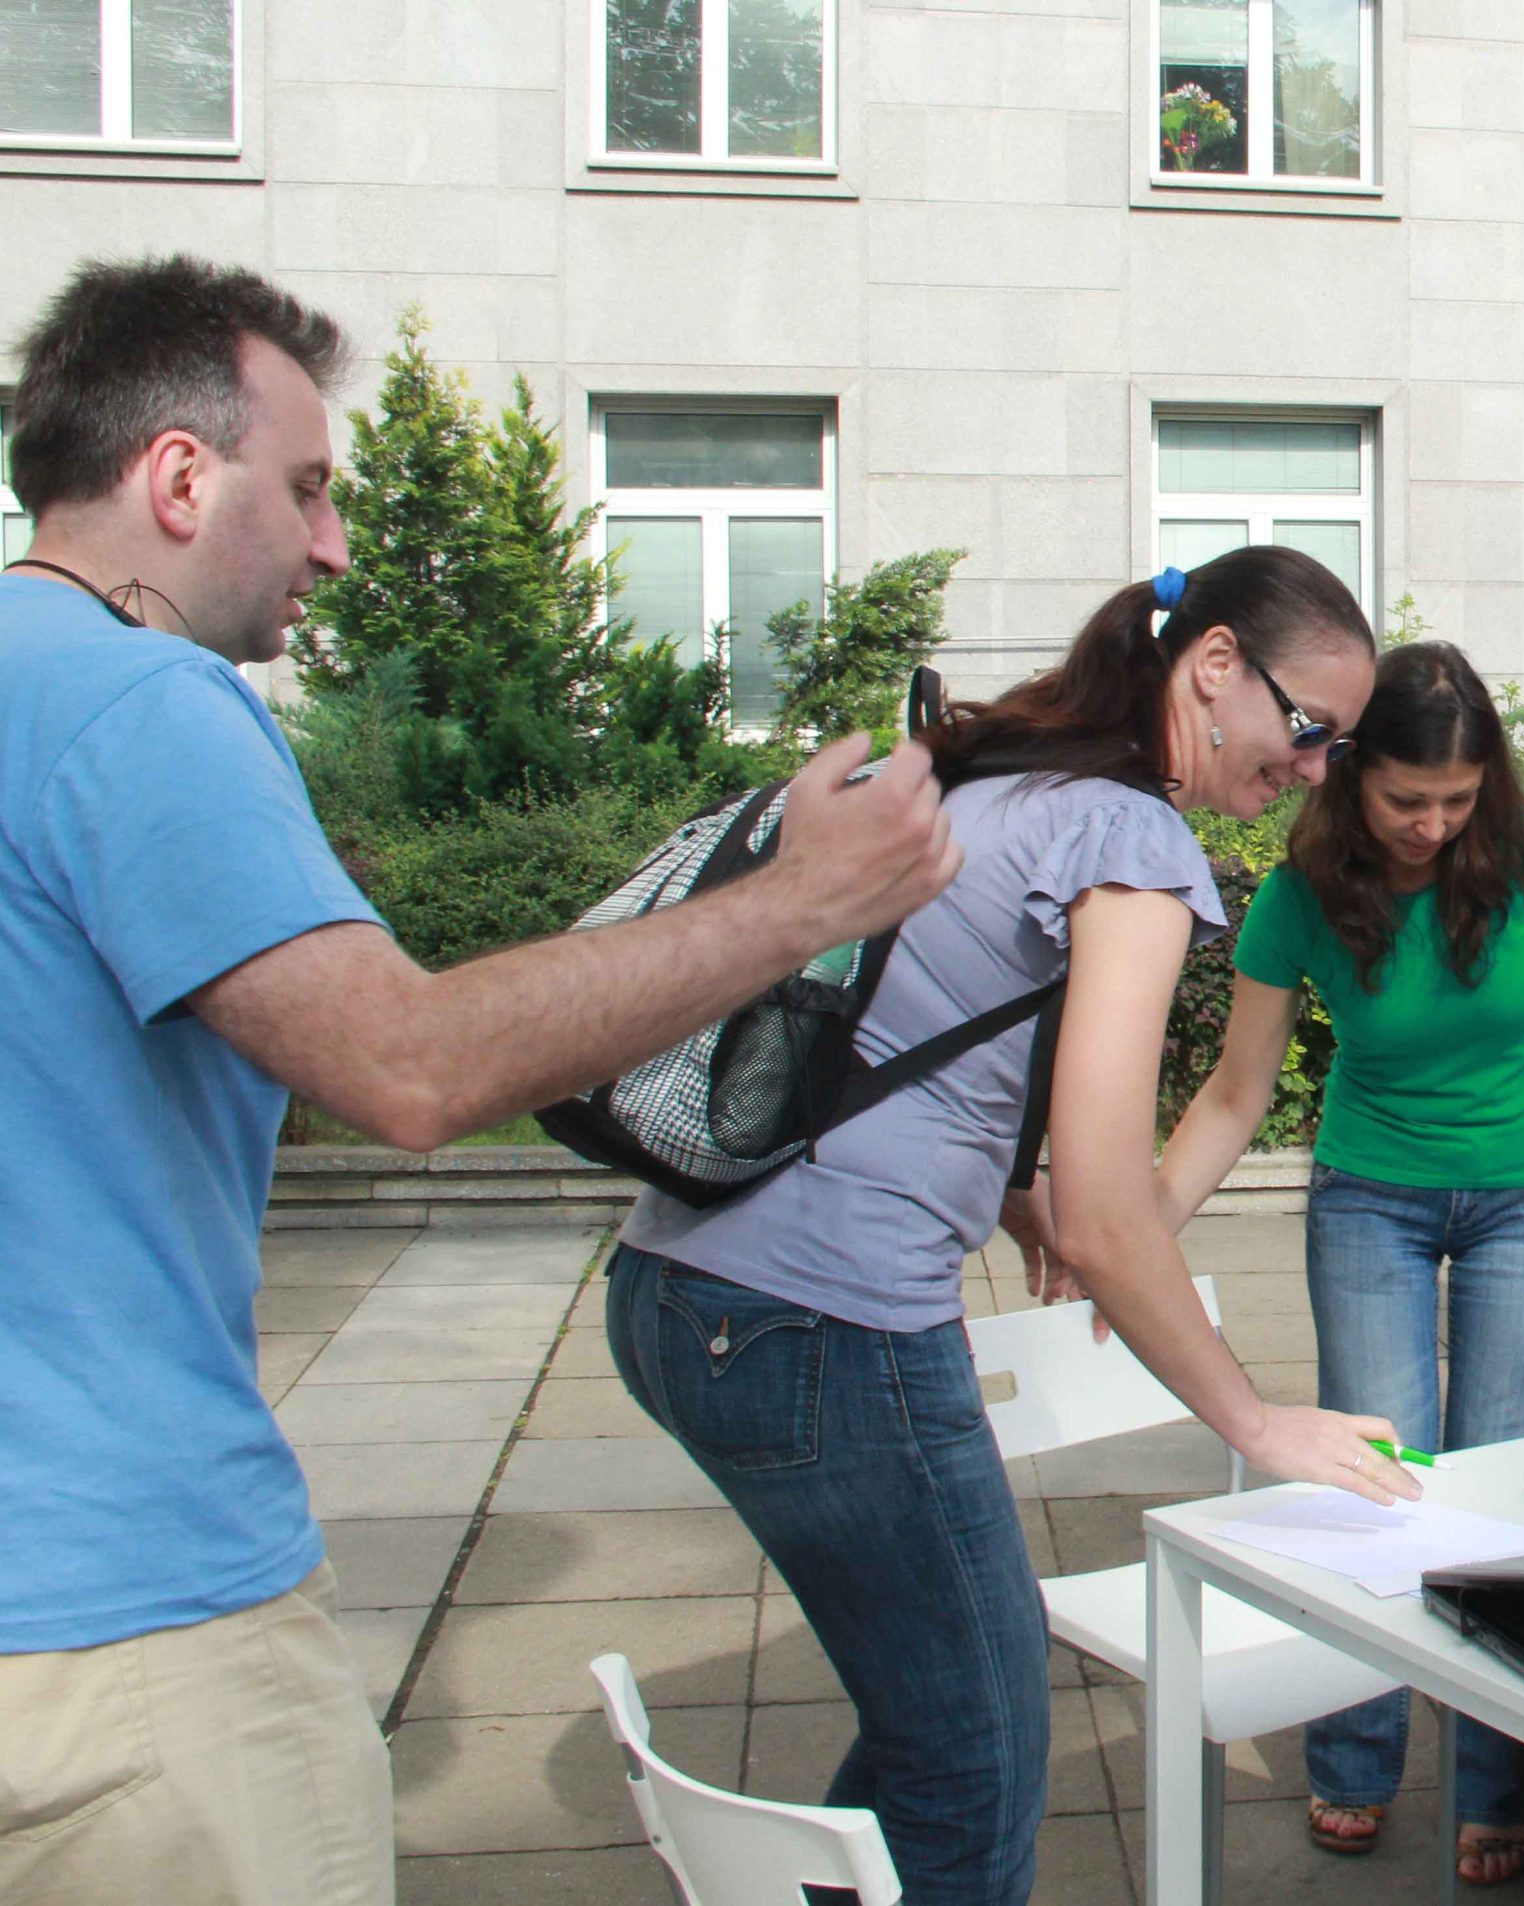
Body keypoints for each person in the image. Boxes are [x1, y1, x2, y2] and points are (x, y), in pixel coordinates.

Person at [0, 256, 962, 1906]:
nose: (332, 545)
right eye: (308, 487)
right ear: (177, 477)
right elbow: (408, 1060)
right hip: (127, 1629)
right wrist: (802, 901)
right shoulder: (139, 698)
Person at [604, 546, 1422, 1906]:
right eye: (1307, 727)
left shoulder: (994, 775)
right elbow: (1109, 1217)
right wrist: (1257, 1423)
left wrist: (1008, 1189)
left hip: (676, 1289)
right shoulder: (1129, 838)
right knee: (976, 1760)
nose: (1315, 767)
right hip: (826, 1329)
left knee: (931, 1725)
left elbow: (889, 1032)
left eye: (1337, 744)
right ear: (1213, 666)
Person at [1157, 639, 1524, 1888]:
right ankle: (1355, 1759)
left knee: (1498, 1484)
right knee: (1375, 1480)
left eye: (1457, 799)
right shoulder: (1301, 892)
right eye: (1405, 800)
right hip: (1370, 1198)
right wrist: (1139, 1229)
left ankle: (1493, 1782)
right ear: (1350, 773)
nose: (1432, 825)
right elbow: (1235, 1091)